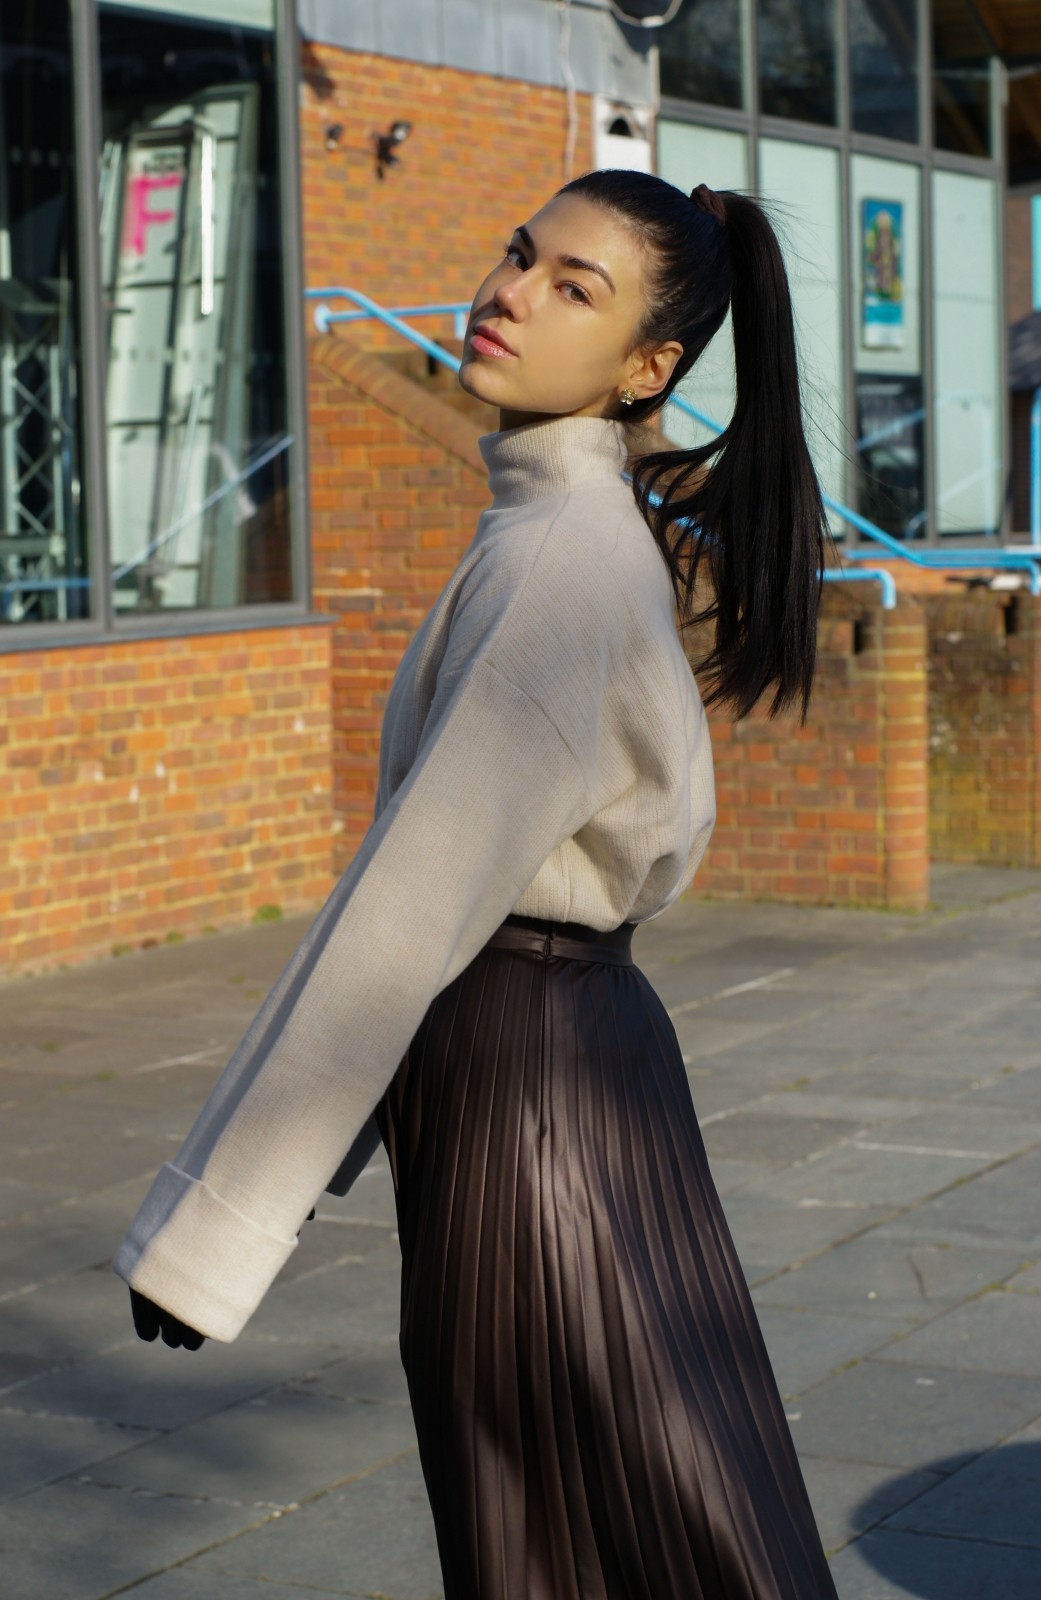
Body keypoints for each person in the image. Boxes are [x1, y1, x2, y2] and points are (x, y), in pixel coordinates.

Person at [115, 169, 838, 1599]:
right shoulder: (550, 532)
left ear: (649, 369)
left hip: (529, 1078)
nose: (509, 293)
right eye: (520, 255)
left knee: (590, 1519)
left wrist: (216, 1229)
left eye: (576, 286)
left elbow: (403, 915)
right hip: (564, 1059)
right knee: (631, 1501)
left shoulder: (561, 563)